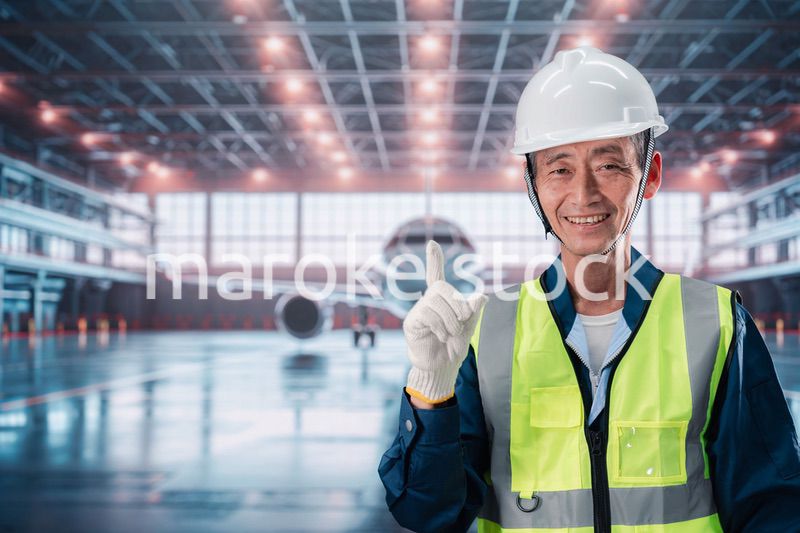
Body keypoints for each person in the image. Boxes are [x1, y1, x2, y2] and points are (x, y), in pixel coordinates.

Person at [378, 47, 800, 533]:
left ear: (651, 175)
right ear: (532, 184)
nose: (583, 195)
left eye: (609, 166)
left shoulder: (717, 323)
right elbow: (430, 513)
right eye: (559, 169)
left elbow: (773, 510)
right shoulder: (485, 330)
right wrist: (432, 391)